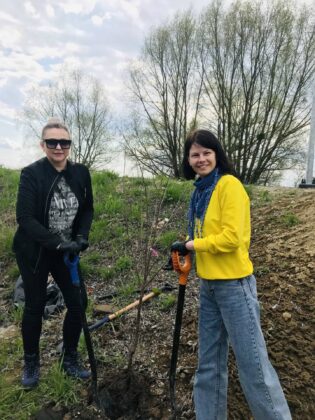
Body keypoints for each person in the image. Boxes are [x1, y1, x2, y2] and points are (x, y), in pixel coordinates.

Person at [171, 129, 291, 420]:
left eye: (206, 153)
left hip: (235, 286)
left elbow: (230, 239)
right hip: (209, 286)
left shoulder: (229, 186)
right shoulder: (200, 191)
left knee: (254, 369)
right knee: (208, 365)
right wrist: (188, 251)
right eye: (195, 154)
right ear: (188, 160)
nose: (201, 159)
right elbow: (203, 234)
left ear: (217, 155)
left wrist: (191, 245)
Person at [13, 118, 94, 389]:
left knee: (78, 302)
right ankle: (31, 362)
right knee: (35, 306)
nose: (59, 147)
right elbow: (24, 218)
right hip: (35, 251)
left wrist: (81, 236)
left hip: (66, 253)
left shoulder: (81, 173)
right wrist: (58, 243)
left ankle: (69, 357)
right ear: (43, 144)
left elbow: (87, 210)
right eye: (52, 142)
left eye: (64, 142)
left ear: (70, 145)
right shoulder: (32, 174)